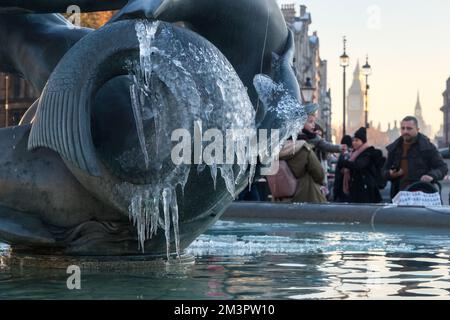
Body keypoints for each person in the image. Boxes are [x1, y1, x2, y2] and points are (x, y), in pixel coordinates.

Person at [383, 116, 448, 199]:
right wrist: (391, 174)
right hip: (399, 197)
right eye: (403, 128)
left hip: (423, 195)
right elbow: (384, 172)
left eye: (409, 128)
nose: (405, 131)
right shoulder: (395, 149)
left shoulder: (427, 147)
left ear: (417, 130)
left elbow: (443, 168)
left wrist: (431, 176)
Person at [277, 123, 327, 203]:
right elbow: (319, 175)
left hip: (280, 199)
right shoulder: (303, 149)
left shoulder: (273, 151)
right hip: (305, 197)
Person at [341, 127, 383, 204]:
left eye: (357, 140)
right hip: (356, 189)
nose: (354, 142)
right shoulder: (354, 154)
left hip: (366, 189)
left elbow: (358, 165)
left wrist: (344, 162)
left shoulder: (367, 153)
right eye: (353, 140)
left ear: (363, 141)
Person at [333, 135, 353, 202]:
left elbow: (338, 177)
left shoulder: (343, 155)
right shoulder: (353, 154)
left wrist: (335, 193)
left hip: (342, 188)